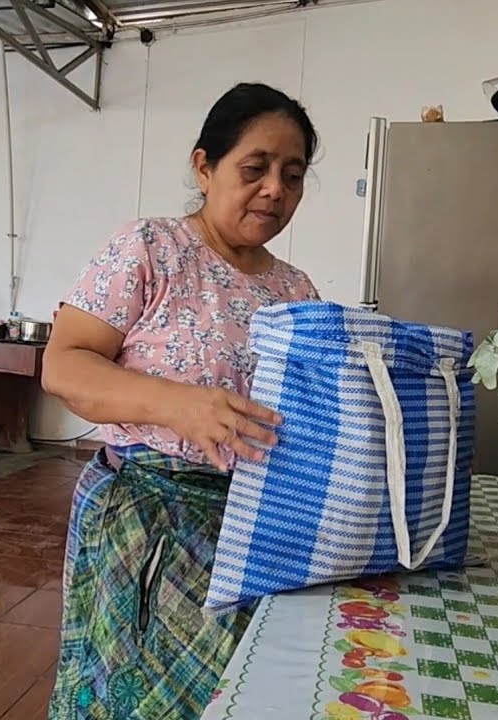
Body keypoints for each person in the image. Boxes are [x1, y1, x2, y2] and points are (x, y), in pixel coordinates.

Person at [42, 82, 322, 719]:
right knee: (130, 697)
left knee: (227, 695)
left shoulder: (295, 289)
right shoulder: (151, 249)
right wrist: (179, 404)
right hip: (145, 521)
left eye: (293, 175)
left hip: (254, 527)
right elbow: (64, 364)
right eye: (255, 168)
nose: (275, 189)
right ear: (204, 165)